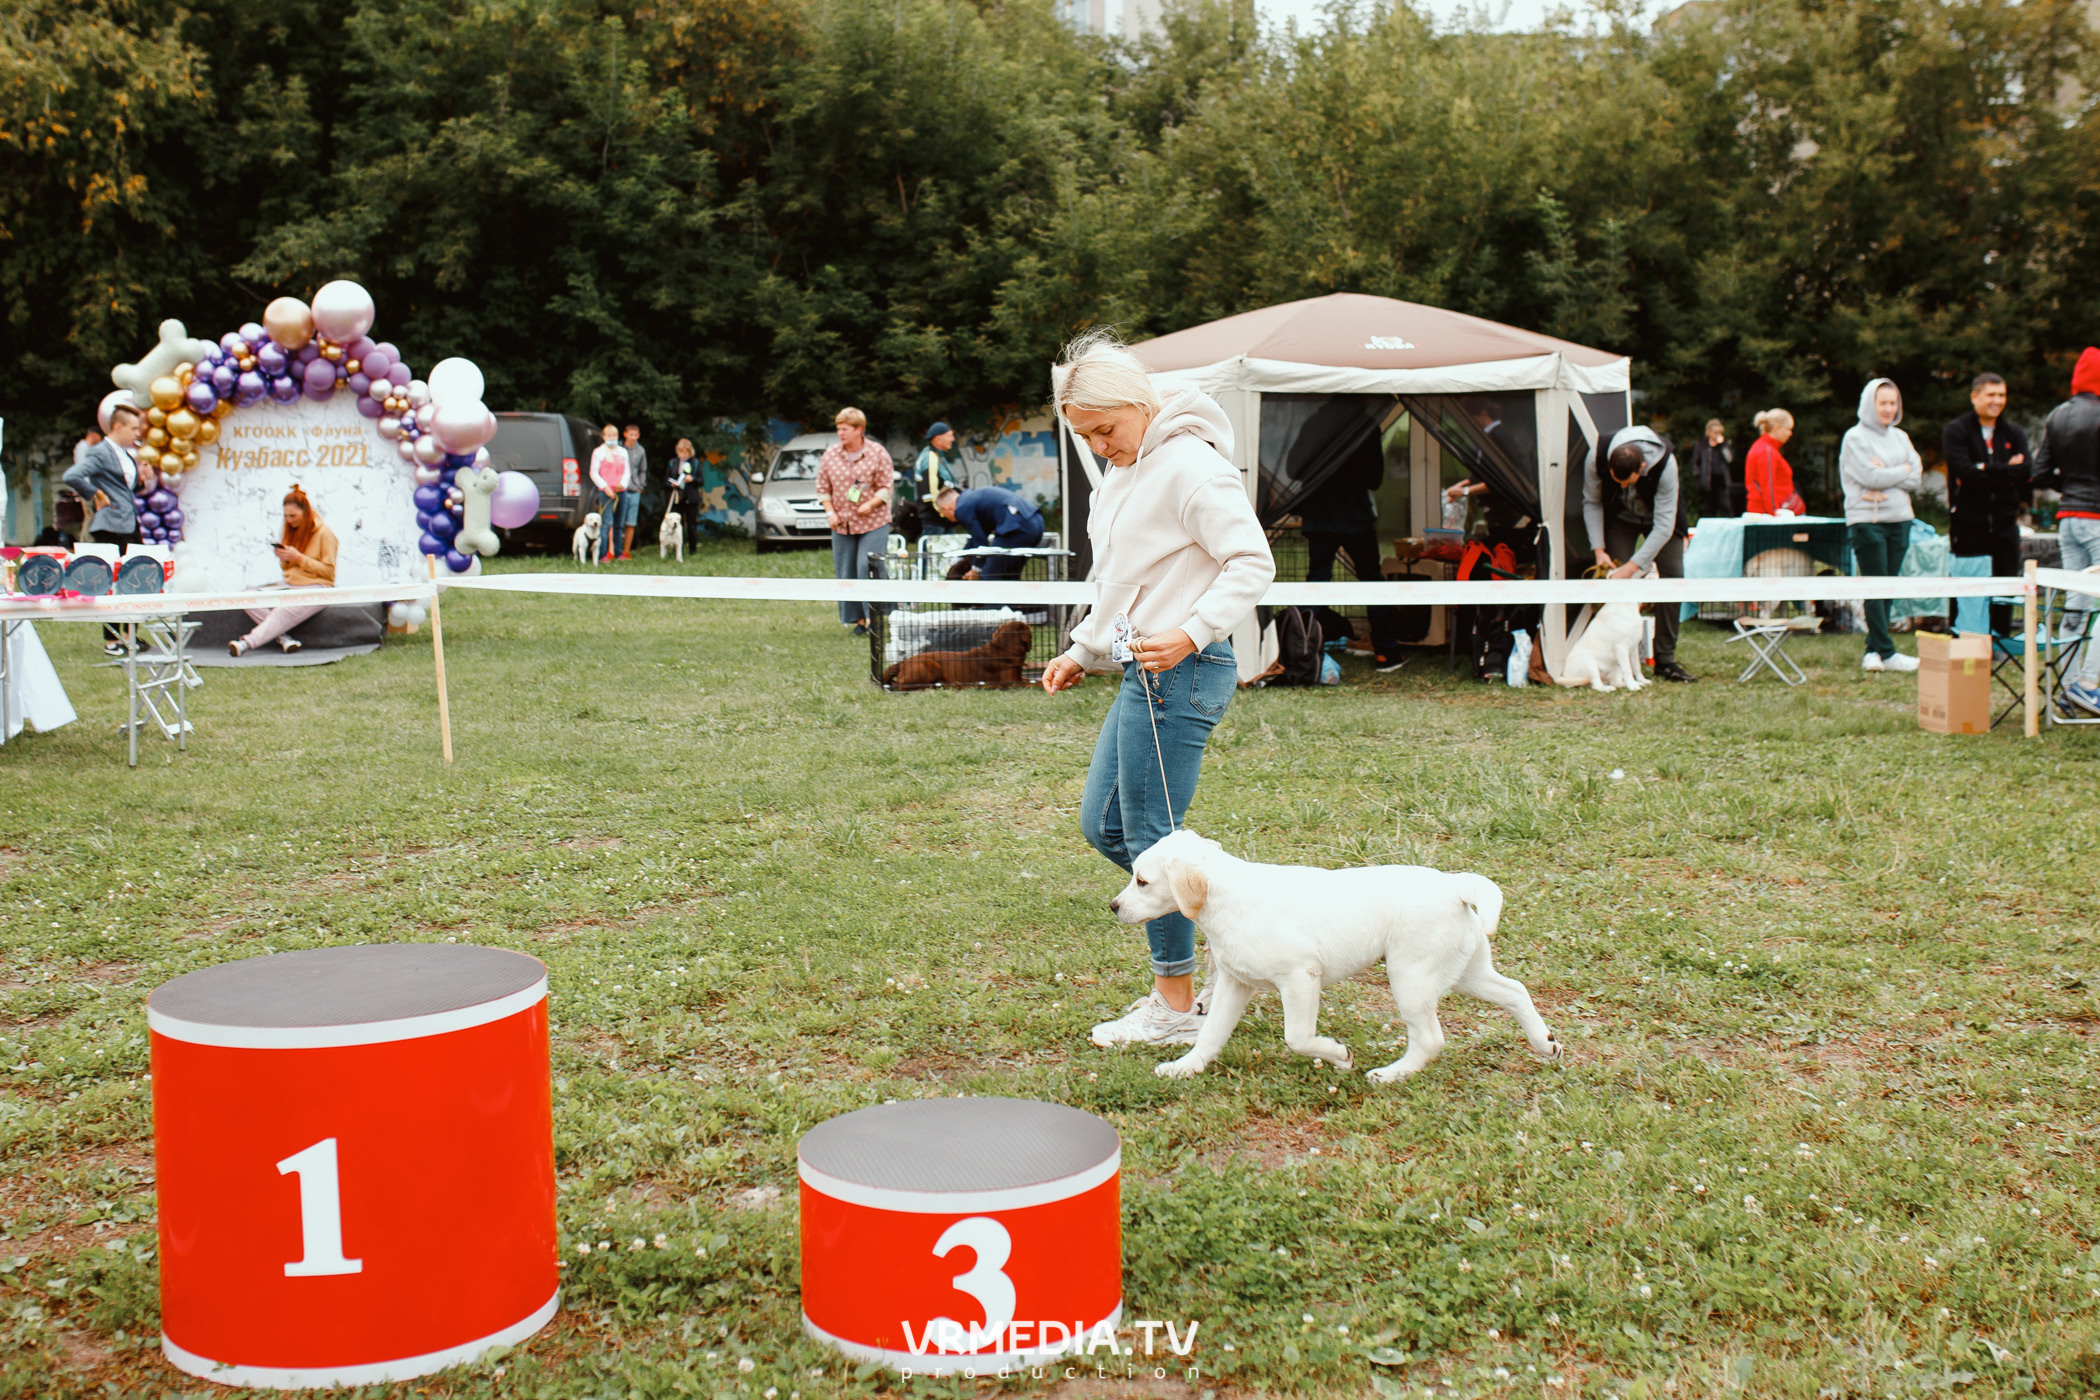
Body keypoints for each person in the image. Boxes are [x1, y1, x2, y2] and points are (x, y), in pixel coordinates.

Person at [1040, 330, 1274, 1049]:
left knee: (1148, 842)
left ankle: (1176, 1007)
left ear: (1140, 404)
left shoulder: (1191, 468)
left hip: (1183, 671)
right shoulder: (1125, 466)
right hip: (1146, 671)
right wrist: (1083, 647)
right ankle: (1235, 936)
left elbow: (1251, 560)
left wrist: (1192, 632)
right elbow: (1125, 578)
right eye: (1087, 436)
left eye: (1106, 430)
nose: (1100, 446)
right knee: (1104, 828)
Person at [1582, 425, 1696, 683]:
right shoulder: (1596, 455)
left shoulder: (1666, 464)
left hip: (1662, 521)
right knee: (1614, 586)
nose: (1621, 485)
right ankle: (1612, 661)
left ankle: (1665, 661)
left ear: (1642, 467)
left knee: (1673, 580)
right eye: (1616, 480)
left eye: (1627, 481)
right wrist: (1599, 550)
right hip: (1620, 519)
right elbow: (1591, 502)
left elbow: (1664, 525)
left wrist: (1633, 566)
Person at [2031, 346, 2100, 715]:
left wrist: (2071, 488)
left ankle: (2068, 686)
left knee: (2077, 604)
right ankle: (2088, 684)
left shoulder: (2057, 415)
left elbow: (2039, 474)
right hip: (2098, 520)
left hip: (2068, 518)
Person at [1841, 378, 1924, 673]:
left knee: (1889, 586)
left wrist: (1890, 472)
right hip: (1867, 521)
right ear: (1869, 404)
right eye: (1883, 403)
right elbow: (1868, 477)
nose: (1888, 409)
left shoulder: (1901, 437)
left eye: (1893, 403)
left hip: (1900, 520)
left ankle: (1873, 651)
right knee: (1876, 585)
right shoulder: (1855, 438)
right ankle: (1887, 652)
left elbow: (1916, 476)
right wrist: (1900, 471)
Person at [1941, 373, 2030, 639]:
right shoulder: (1956, 431)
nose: (1997, 401)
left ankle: (1999, 641)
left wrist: (1985, 469)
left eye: (2001, 395)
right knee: (1968, 586)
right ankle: (1965, 639)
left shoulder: (2014, 432)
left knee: (2005, 585)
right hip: (1969, 525)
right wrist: (2004, 471)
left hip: (2005, 525)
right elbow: (1965, 473)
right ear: (1975, 397)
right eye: (1991, 395)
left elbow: (2025, 472)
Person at [62, 404, 143, 653]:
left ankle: (129, 637)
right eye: (133, 428)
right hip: (110, 526)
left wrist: (141, 481)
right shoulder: (100, 452)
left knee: (135, 578)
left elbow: (125, 490)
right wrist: (94, 493)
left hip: (128, 524)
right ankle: (112, 640)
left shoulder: (126, 454)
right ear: (117, 426)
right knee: (111, 581)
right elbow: (71, 476)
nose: (137, 433)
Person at [229, 485, 337, 656]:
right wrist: (285, 558)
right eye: (286, 516)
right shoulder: (291, 530)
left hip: (318, 587)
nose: (289, 520)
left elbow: (329, 573)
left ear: (306, 512)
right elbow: (289, 570)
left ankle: (246, 643)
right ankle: (284, 639)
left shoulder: (325, 534)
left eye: (293, 516)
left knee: (283, 610)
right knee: (247, 596)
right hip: (290, 585)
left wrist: (299, 558)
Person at [816, 407, 894, 635]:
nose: (840, 433)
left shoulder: (877, 453)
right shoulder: (830, 455)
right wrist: (830, 512)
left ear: (859, 429)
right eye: (838, 428)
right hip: (842, 523)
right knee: (846, 571)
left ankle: (876, 617)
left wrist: (869, 505)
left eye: (845, 429)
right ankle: (859, 620)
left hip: (874, 521)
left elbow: (886, 487)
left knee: (866, 566)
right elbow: (822, 488)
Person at [933, 484, 1044, 581]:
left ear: (946, 508)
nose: (945, 517)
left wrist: (976, 569)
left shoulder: (961, 508)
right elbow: (978, 536)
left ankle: (993, 606)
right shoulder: (970, 499)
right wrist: (959, 557)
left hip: (1016, 528)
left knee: (989, 575)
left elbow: (980, 541)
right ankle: (1016, 605)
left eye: (942, 514)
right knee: (1009, 574)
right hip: (1035, 522)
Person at [1743, 409, 1802, 515]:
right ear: (1776, 428)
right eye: (1788, 429)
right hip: (1767, 513)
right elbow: (1767, 486)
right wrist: (1775, 512)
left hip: (1767, 512)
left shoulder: (1766, 448)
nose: (1790, 433)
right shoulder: (1766, 451)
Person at [587, 424, 627, 561]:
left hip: (620, 491)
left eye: (614, 436)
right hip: (606, 492)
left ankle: (618, 552)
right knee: (605, 523)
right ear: (604, 437)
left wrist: (623, 483)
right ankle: (603, 554)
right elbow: (593, 472)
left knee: (618, 524)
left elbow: (627, 471)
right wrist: (605, 487)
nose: (612, 438)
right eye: (609, 436)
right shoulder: (599, 452)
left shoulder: (622, 451)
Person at [1691, 419, 1737, 517]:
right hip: (1707, 482)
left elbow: (1729, 459)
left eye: (1719, 432)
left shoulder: (1724, 444)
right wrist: (1698, 476)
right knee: (1709, 509)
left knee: (1726, 507)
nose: (1718, 435)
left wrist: (1722, 445)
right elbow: (1695, 462)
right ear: (1709, 432)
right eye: (1715, 432)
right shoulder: (1702, 445)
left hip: (1721, 481)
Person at [615, 424, 647, 560]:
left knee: (630, 523)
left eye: (635, 435)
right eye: (630, 434)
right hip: (620, 490)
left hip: (634, 491)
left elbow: (643, 469)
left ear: (638, 436)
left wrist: (641, 485)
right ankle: (615, 551)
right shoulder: (617, 448)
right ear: (625, 434)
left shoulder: (641, 450)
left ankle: (626, 552)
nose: (633, 437)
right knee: (618, 522)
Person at [912, 422, 964, 503]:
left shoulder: (937, 455)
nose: (953, 439)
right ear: (937, 439)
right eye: (949, 436)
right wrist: (942, 513)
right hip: (935, 514)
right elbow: (931, 495)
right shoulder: (930, 457)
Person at [666, 438, 701, 549]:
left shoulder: (695, 463)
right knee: (675, 524)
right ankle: (675, 547)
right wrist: (672, 484)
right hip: (677, 497)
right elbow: (666, 479)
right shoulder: (672, 463)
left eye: (685, 452)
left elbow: (701, 481)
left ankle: (692, 549)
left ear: (690, 452)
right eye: (680, 452)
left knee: (691, 524)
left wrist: (692, 479)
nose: (683, 454)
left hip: (691, 497)